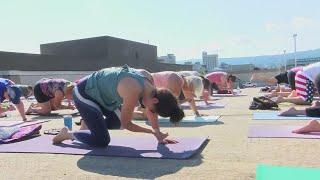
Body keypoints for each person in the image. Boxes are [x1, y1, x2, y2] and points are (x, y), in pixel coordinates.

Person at [53, 66, 184, 147]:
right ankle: (67, 134)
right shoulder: (133, 90)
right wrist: (152, 132)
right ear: (155, 100)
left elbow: (152, 111)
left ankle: (92, 125)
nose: (148, 111)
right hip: (84, 93)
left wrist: (158, 133)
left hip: (104, 97)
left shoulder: (150, 88)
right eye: (151, 109)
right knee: (101, 140)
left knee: (117, 123)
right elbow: (127, 124)